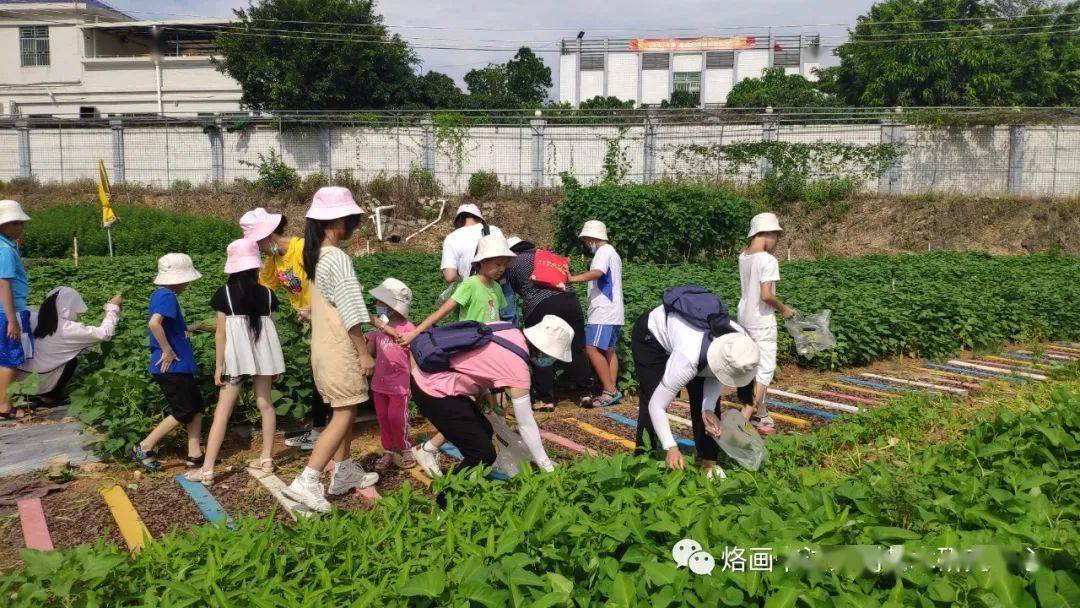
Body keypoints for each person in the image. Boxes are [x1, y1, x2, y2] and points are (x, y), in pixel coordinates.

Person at [282, 187, 388, 514]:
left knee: (347, 408)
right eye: (353, 221)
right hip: (341, 349)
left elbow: (335, 304)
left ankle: (342, 471)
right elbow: (351, 308)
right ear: (339, 220)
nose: (354, 227)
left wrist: (381, 327)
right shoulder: (337, 257)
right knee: (343, 413)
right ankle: (308, 479)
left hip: (322, 349)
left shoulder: (317, 258)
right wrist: (363, 351)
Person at [409, 315, 573, 485]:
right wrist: (547, 466)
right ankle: (446, 500)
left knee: (485, 431)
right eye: (552, 355)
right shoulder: (518, 368)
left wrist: (486, 390)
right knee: (482, 454)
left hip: (426, 377)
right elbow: (526, 424)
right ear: (542, 349)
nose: (551, 360)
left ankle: (433, 454)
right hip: (436, 392)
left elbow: (477, 355)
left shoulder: (508, 328)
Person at [189, 239, 286, 486]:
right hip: (264, 355)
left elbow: (220, 333)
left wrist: (219, 365)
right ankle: (266, 458)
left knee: (223, 411)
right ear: (255, 266)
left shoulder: (226, 294)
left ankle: (208, 470)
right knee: (266, 405)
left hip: (235, 358)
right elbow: (272, 326)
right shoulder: (268, 293)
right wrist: (274, 362)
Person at [632, 295, 761, 478]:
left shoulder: (743, 345)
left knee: (706, 407)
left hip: (696, 342)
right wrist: (671, 446)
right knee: (652, 396)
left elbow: (716, 375)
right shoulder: (688, 358)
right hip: (652, 337)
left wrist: (707, 409)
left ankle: (708, 462)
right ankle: (643, 462)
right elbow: (656, 406)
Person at [240, 208, 326, 452]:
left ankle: (322, 431)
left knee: (322, 376)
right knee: (317, 376)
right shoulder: (274, 260)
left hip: (326, 319)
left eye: (258, 244)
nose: (259, 250)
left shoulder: (304, 249)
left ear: (268, 236)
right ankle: (318, 430)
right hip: (311, 323)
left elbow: (329, 283)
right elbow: (263, 290)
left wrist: (311, 306)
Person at [131, 253, 205, 472]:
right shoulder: (166, 295)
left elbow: (167, 326)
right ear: (178, 278)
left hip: (179, 366)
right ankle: (144, 446)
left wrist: (191, 328)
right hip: (172, 366)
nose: (189, 283)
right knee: (184, 411)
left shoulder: (164, 294)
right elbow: (154, 324)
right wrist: (167, 350)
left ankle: (194, 454)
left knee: (197, 407)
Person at [504, 238, 593, 411]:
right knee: (576, 347)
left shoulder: (514, 262)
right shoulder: (550, 256)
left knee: (541, 351)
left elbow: (514, 290)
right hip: (570, 302)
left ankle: (546, 399)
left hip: (540, 305)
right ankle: (586, 393)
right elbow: (567, 277)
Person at [16, 287, 122, 408]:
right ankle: (51, 397)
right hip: (42, 384)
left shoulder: (30, 317)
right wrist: (112, 308)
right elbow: (104, 333)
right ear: (70, 307)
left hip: (14, 379)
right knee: (72, 360)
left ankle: (20, 395)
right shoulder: (69, 328)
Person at [738, 212, 796, 429]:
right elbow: (766, 295)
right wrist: (784, 309)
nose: (776, 242)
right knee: (764, 370)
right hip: (762, 319)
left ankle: (760, 412)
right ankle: (744, 418)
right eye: (776, 237)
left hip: (745, 316)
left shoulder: (743, 256)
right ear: (766, 234)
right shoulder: (768, 260)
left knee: (750, 367)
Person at [403, 234, 514, 343]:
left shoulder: (497, 287)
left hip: (490, 340)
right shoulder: (470, 284)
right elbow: (444, 310)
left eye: (505, 265)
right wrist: (415, 333)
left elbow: (496, 316)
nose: (502, 269)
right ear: (483, 261)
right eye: (498, 264)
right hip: (471, 341)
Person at [568, 220, 624, 407]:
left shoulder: (603, 252)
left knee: (592, 348)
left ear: (592, 238)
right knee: (609, 350)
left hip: (603, 311)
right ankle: (611, 391)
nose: (585, 243)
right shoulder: (612, 252)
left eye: (585, 240)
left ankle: (610, 390)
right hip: (613, 311)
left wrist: (572, 279)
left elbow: (597, 273)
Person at [365, 278, 416, 472]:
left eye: (381, 303)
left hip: (400, 384)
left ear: (393, 307)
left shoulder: (408, 328)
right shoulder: (377, 329)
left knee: (397, 417)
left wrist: (414, 380)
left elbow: (411, 353)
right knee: (383, 417)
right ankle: (387, 449)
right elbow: (368, 351)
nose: (378, 306)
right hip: (379, 384)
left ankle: (404, 447)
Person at [0, 200, 32, 421]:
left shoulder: (6, 246)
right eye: (16, 223)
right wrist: (12, 319)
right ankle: (4, 407)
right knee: (10, 359)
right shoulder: (5, 251)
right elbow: (4, 284)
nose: (20, 226)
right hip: (8, 312)